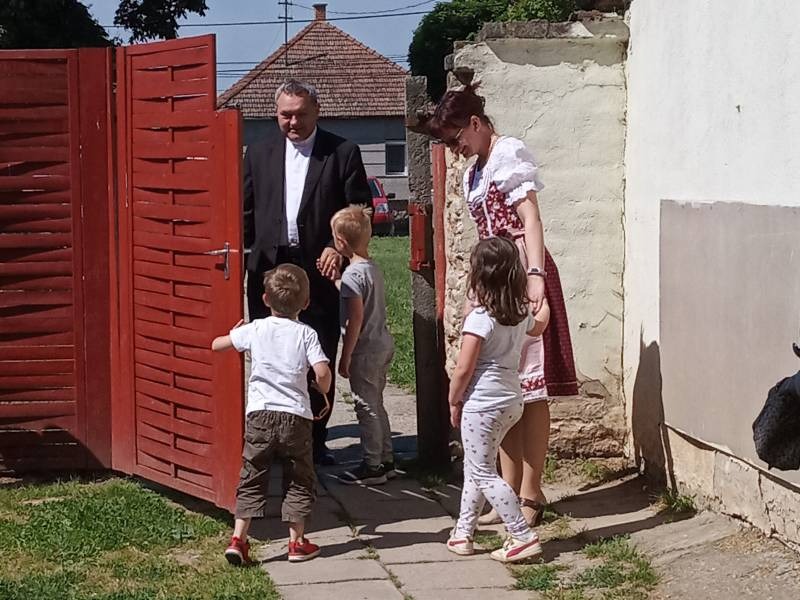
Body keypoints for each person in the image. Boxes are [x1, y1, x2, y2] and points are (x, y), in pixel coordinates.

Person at [418, 83, 578, 527]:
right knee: (503, 386)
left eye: (457, 138)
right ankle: (506, 489)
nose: (456, 149)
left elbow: (530, 218)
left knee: (531, 389)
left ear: (475, 123)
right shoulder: (475, 170)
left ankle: (531, 491)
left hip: (521, 274)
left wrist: (535, 275)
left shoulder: (508, 153)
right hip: (494, 280)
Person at [243, 79, 372, 465]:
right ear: (276, 114)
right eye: (286, 115)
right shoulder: (258, 153)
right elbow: (245, 209)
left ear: (317, 111)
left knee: (318, 351)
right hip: (269, 267)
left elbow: (360, 208)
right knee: (270, 354)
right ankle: (270, 439)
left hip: (320, 268)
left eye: (300, 114)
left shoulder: (342, 152)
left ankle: (314, 442)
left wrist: (338, 246)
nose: (293, 122)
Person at [212, 264, 332, 565]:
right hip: (296, 417)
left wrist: (235, 333)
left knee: (252, 475)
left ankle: (239, 539)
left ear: (265, 299)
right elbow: (322, 372)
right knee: (299, 478)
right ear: (306, 303)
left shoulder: (255, 329)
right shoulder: (306, 334)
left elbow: (217, 346)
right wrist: (322, 386)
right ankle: (296, 543)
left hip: (260, 415)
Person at [446, 237, 549, 563]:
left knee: (483, 472)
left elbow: (464, 368)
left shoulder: (479, 319)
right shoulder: (518, 314)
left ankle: (522, 535)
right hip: (511, 401)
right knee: (476, 467)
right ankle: (463, 532)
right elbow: (539, 326)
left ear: (479, 275)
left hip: (483, 404)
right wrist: (544, 301)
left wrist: (454, 399)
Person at [327, 206, 396, 485]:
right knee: (377, 403)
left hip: (364, 349)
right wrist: (336, 281)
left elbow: (354, 318)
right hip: (382, 343)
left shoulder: (352, 277)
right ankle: (387, 459)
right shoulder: (370, 268)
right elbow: (359, 296)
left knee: (365, 407)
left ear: (341, 242)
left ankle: (372, 465)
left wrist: (346, 356)